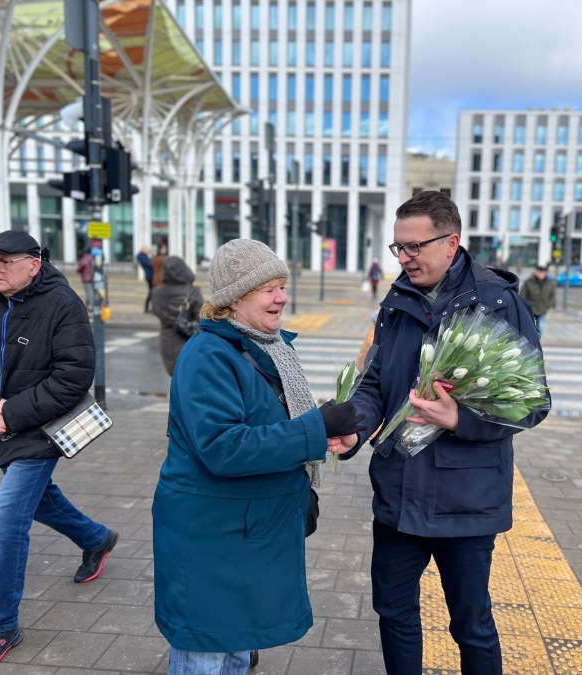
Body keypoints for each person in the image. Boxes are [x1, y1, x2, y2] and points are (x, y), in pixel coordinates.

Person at [341, 191, 547, 675]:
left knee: (470, 625)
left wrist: (460, 420)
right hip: (398, 496)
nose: (404, 258)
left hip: (466, 502)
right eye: (398, 247)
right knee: (394, 613)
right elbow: (374, 383)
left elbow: (534, 404)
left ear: (451, 243)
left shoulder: (499, 304)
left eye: (415, 246)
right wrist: (354, 428)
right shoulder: (396, 302)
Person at [152, 239, 366, 675]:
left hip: (241, 533)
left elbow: (274, 418)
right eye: (269, 289)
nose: (282, 297)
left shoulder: (266, 346)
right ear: (235, 298)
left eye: (282, 286)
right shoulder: (209, 355)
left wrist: (326, 429)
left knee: (234, 649)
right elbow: (223, 447)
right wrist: (315, 428)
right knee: (204, 653)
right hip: (211, 538)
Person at [0, 230, 118, 672]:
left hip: (40, 432)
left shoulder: (63, 305)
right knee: (37, 498)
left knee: (7, 519)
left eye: (4, 261)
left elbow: (73, 376)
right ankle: (97, 539)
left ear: (34, 263)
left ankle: (0, 626)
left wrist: (10, 414)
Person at [150, 256, 205, 376]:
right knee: (189, 377)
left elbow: (156, 311)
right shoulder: (192, 292)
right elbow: (202, 317)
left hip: (166, 341)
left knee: (174, 376)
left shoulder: (156, 292)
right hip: (188, 340)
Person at [519, 264, 556, 339]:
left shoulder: (549, 283)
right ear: (536, 272)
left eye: (543, 272)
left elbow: (552, 295)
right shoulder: (529, 282)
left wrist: (548, 304)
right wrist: (525, 305)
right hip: (531, 310)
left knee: (540, 328)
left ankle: (536, 342)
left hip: (542, 309)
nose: (541, 274)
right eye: (539, 272)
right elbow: (522, 295)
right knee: (530, 329)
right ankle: (532, 342)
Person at [76, 247, 95, 311]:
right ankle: (87, 304)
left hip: (87, 278)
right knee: (91, 291)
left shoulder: (85, 258)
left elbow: (81, 266)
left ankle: (91, 305)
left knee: (89, 292)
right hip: (93, 277)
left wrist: (78, 270)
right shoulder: (92, 258)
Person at [136, 245, 154, 313]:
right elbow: (150, 264)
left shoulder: (145, 256)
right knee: (152, 292)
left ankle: (149, 307)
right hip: (150, 276)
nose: (149, 251)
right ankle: (147, 308)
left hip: (151, 275)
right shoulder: (142, 257)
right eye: (148, 250)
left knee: (152, 292)